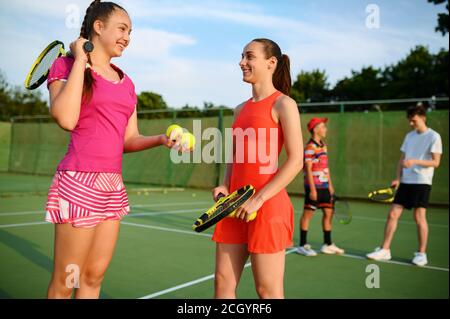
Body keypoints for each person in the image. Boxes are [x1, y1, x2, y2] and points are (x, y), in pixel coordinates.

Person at [45, 0, 182, 298]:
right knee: (67, 281)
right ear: (98, 27)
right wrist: (81, 59)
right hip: (79, 181)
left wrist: (160, 139)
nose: (127, 37)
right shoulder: (65, 65)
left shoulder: (127, 83)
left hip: (112, 186)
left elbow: (127, 140)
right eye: (122, 28)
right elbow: (66, 118)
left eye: (130, 31)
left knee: (93, 277)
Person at [211, 38, 303, 299]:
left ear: (271, 63)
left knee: (267, 290)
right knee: (222, 284)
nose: (242, 62)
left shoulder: (284, 104)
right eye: (242, 56)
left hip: (268, 207)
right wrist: (225, 186)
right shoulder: (239, 109)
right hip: (233, 206)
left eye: (249, 56)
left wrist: (258, 199)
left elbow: (296, 160)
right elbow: (235, 157)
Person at [366, 104, 442, 266]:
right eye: (409, 121)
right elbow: (402, 159)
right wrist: (398, 178)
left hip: (422, 182)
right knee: (393, 214)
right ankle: (385, 250)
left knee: (419, 217)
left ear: (423, 117)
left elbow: (436, 162)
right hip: (406, 182)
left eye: (413, 120)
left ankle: (421, 254)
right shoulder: (409, 136)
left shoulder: (434, 137)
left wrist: (414, 161)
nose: (411, 124)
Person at [296, 118, 344, 257]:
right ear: (315, 129)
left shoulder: (323, 145)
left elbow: (325, 168)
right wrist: (312, 189)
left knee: (328, 214)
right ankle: (302, 245)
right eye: (323, 126)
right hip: (314, 187)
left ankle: (327, 244)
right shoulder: (310, 147)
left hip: (325, 187)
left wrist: (331, 187)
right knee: (308, 214)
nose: (325, 129)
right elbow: (308, 169)